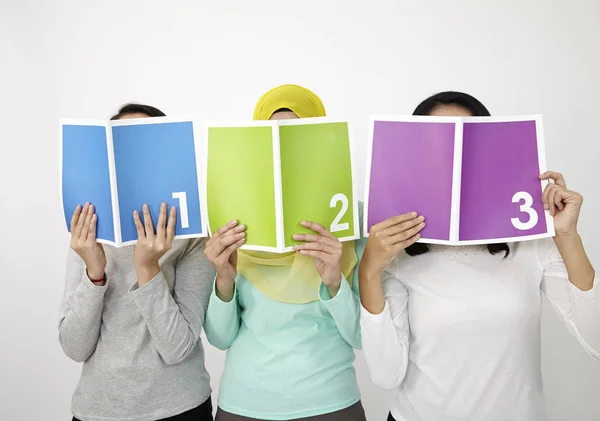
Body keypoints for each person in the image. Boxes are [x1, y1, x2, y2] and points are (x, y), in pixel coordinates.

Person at [359, 91, 599, 421]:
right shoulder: (398, 253)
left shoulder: (529, 242)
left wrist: (567, 236)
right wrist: (369, 272)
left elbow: (595, 341)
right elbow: (386, 376)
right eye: (436, 144)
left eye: (466, 141)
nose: (452, 158)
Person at [204, 84, 368, 421]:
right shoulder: (231, 222)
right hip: (243, 404)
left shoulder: (352, 216)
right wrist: (224, 278)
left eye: (298, 134)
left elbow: (362, 337)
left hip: (332, 402)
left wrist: (335, 282)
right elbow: (219, 339)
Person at [59, 103, 216, 421]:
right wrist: (94, 273)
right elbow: (74, 347)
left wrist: (148, 268)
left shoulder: (192, 232)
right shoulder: (90, 233)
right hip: (97, 410)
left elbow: (178, 348)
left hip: (179, 408)